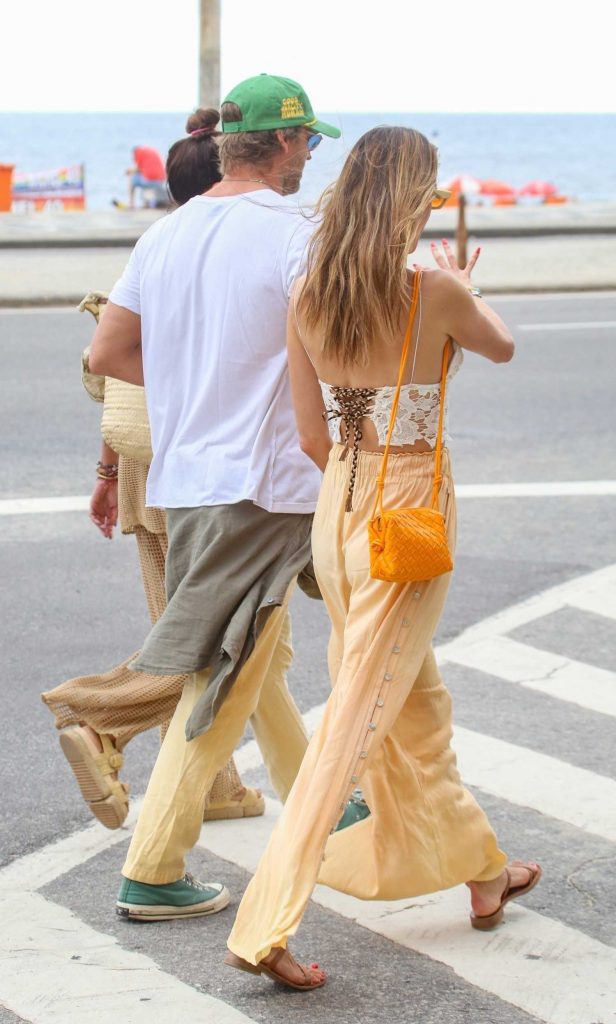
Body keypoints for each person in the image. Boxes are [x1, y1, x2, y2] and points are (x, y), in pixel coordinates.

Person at [224, 126, 541, 991]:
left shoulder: (309, 291)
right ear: (413, 202)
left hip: (341, 512)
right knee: (357, 723)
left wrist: (360, 487)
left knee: (416, 708)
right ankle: (265, 924)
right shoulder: (436, 288)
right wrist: (468, 285)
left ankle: (483, 873)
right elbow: (503, 346)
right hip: (407, 518)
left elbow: (312, 435)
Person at [88, 74, 342, 928]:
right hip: (267, 481)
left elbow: (109, 349)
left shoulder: (166, 235)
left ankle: (332, 804)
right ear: (281, 142)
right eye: (308, 141)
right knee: (223, 670)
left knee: (248, 649)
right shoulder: (297, 232)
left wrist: (200, 385)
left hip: (190, 473)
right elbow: (340, 348)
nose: (310, 156)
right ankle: (152, 863)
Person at [42, 109, 264, 828]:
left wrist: (106, 477)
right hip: (207, 464)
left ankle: (214, 785)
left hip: (145, 467)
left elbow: (114, 387)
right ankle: (102, 718)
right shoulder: (220, 261)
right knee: (213, 637)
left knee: (197, 627)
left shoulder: (154, 251)